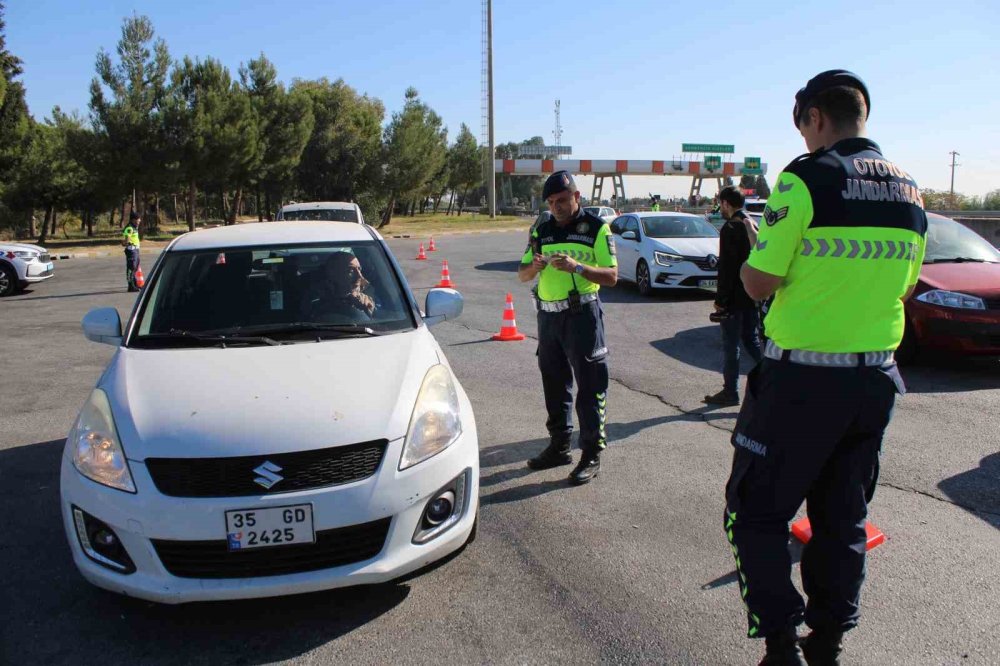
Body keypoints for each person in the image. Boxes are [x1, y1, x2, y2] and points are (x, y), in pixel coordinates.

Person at [724, 70, 927, 666]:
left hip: (799, 383)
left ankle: (781, 644)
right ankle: (829, 642)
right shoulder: (911, 190)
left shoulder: (804, 178)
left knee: (755, 513)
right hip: (873, 381)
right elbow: (907, 284)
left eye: (804, 129)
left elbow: (758, 280)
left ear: (815, 118)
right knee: (842, 519)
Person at [518, 170, 618, 485]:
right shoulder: (541, 229)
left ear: (577, 197)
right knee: (555, 383)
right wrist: (533, 266)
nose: (556, 207)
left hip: (582, 316)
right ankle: (559, 445)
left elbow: (612, 276)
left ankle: (591, 453)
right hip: (548, 318)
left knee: (590, 385)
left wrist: (578, 267)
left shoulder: (596, 229)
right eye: (551, 201)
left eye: (562, 200)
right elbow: (522, 274)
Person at [704, 186, 763, 406]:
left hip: (734, 298)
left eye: (721, 204)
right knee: (752, 341)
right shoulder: (751, 223)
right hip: (752, 293)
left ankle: (731, 391)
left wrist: (720, 301)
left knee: (731, 345)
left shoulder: (730, 228)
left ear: (727, 204)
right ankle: (774, 381)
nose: (721, 208)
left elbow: (727, 270)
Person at [301, 251, 376, 322]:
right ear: (331, 275)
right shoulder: (315, 305)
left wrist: (369, 310)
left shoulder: (368, 299)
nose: (360, 276)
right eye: (350, 271)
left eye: (359, 269)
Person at [121, 212, 141, 292]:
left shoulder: (134, 227)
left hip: (135, 250)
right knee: (131, 268)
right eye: (138, 219)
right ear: (133, 220)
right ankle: (131, 286)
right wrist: (124, 243)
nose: (139, 220)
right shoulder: (129, 228)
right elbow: (127, 240)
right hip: (131, 250)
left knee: (135, 267)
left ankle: (135, 284)